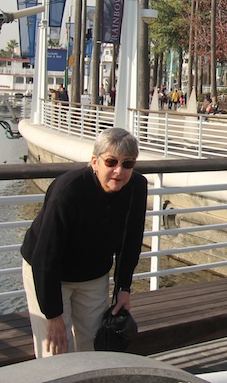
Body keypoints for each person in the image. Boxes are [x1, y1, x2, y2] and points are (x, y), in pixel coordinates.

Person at [20, 127, 147, 357]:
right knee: (56, 349)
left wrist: (123, 287)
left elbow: (131, 240)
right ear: (94, 162)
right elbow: (45, 257)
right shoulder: (67, 190)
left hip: (93, 275)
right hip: (50, 272)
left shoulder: (137, 186)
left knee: (95, 346)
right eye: (111, 162)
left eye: (128, 164)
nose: (119, 171)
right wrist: (53, 316)